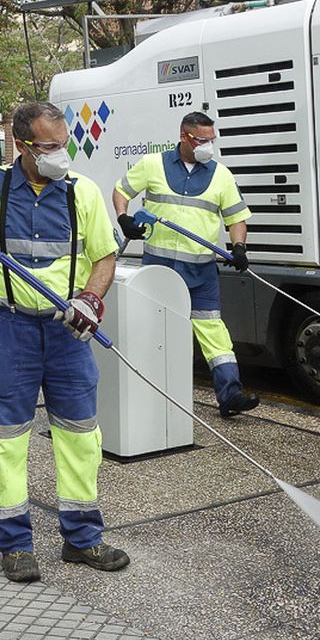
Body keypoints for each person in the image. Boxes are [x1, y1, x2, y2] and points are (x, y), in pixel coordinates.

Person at [0, 100, 129, 584]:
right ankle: (14, 545)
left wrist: (91, 301)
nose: (60, 155)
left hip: (68, 332)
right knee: (6, 440)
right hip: (10, 329)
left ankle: (82, 538)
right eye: (49, 147)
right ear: (21, 146)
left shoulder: (84, 194)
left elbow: (104, 257)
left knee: (80, 435)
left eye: (64, 145)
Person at [113, 112, 259, 417]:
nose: (209, 146)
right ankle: (146, 395)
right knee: (152, 331)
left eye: (211, 140)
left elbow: (236, 218)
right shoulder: (153, 165)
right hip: (159, 270)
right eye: (202, 140)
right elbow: (122, 191)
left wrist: (240, 247)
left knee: (213, 332)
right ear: (184, 137)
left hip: (201, 271)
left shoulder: (221, 175)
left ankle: (230, 395)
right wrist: (124, 218)